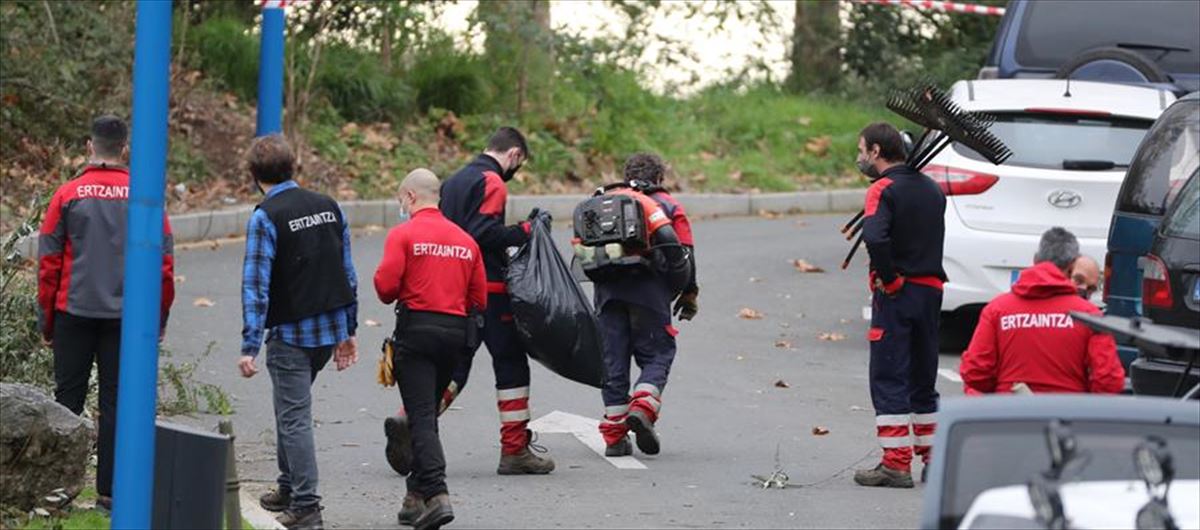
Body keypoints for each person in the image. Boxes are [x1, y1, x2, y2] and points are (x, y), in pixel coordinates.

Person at [384, 126, 554, 476]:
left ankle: (410, 420)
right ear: (515, 156)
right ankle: (515, 449)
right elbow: (481, 235)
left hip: (452, 290)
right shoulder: (493, 182)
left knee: (456, 366)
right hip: (487, 288)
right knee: (511, 364)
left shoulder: (455, 181)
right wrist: (526, 230)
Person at [37, 115, 176, 511]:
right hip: (126, 319)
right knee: (116, 403)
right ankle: (109, 494)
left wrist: (46, 319)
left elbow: (48, 264)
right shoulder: (144, 196)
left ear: (89, 147)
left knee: (67, 402)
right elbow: (164, 266)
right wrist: (158, 318)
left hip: (73, 311)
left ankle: (59, 492)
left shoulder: (66, 195)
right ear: (124, 150)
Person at [238, 134, 359, 530]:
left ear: (254, 175)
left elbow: (255, 286)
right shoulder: (328, 207)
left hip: (290, 334)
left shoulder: (264, 217)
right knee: (289, 408)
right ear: (294, 167)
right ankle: (289, 486)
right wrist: (349, 329)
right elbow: (347, 273)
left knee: (293, 417)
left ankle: (307, 505)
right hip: (326, 333)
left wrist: (249, 345)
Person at [374, 169, 486, 530]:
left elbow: (386, 288)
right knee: (427, 416)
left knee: (421, 417)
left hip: (417, 334)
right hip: (454, 338)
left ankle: (437, 494)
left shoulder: (403, 234)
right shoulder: (466, 241)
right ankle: (414, 498)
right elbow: (478, 298)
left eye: (399, 201)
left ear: (408, 197)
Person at [852, 122, 947, 489]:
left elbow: (875, 237)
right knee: (923, 377)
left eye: (862, 150)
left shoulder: (882, 189)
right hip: (932, 292)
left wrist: (889, 278)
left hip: (898, 293)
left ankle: (895, 463)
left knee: (889, 374)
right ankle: (934, 459)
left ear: (876, 151)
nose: (860, 157)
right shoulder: (933, 190)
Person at [594, 153, 697, 456]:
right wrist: (689, 293)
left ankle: (614, 437)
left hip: (607, 293)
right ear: (660, 178)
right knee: (659, 353)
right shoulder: (667, 205)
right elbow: (685, 254)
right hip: (649, 293)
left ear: (626, 175)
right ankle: (642, 406)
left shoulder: (606, 200)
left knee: (612, 362)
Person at [960, 228, 1125, 395]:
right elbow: (1108, 382)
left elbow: (976, 375)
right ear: (1072, 265)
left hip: (1008, 415)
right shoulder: (1089, 315)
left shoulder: (997, 310)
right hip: (1067, 416)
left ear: (1035, 259)